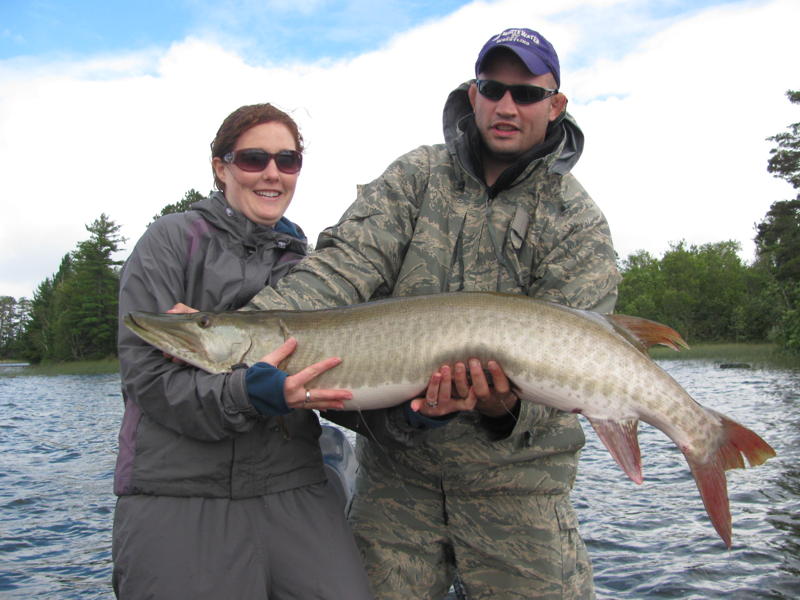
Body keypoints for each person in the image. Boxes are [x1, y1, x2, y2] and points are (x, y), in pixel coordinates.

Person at [179, 27, 621, 599]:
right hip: (397, 487)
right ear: (474, 94)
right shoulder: (416, 177)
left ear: (555, 105)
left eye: (527, 94)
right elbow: (341, 268)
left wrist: (505, 406)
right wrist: (249, 322)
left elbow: (579, 361)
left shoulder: (577, 221)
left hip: (520, 490)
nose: (507, 106)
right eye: (493, 89)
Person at [111, 103, 374, 600]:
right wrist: (247, 394)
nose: (273, 173)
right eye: (255, 159)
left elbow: (343, 386)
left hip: (293, 486)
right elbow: (148, 379)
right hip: (180, 492)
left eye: (287, 160)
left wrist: (419, 412)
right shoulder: (170, 240)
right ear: (221, 167)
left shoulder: (310, 270)